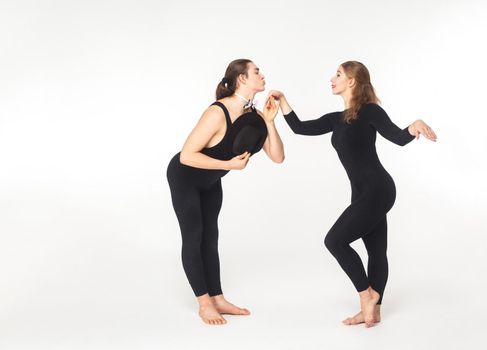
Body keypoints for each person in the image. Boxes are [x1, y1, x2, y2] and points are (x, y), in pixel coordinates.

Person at [270, 61, 437, 328]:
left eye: (338, 74)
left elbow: (398, 137)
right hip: (362, 194)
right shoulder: (337, 120)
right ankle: (374, 312)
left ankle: (367, 295)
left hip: (378, 189)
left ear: (352, 81)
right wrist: (283, 101)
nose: (332, 78)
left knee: (334, 241)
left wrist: (413, 125)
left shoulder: (370, 111)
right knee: (376, 250)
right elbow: (301, 128)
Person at [167, 59, 284, 325]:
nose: (263, 75)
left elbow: (277, 157)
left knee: (211, 237)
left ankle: (218, 298)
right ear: (242, 78)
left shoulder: (254, 116)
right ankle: (204, 303)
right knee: (194, 236)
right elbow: (187, 155)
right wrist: (228, 165)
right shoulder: (218, 112)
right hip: (186, 176)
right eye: (257, 72)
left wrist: (269, 121)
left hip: (210, 180)